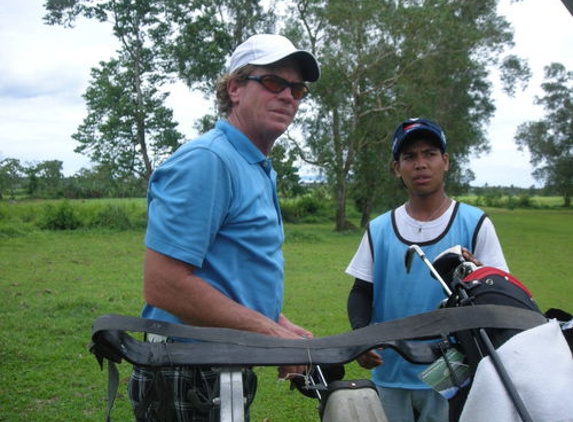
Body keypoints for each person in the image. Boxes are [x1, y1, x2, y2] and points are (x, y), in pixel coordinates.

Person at [128, 33, 320, 421]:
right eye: (273, 82)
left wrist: (277, 324)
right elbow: (163, 283)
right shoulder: (209, 161)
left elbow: (226, 272)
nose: (288, 96)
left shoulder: (252, 165)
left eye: (297, 89)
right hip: (187, 366)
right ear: (234, 88)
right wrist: (268, 334)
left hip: (219, 362)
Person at [345, 117, 509, 422]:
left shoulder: (474, 224)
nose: (420, 164)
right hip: (390, 370)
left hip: (454, 373)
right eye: (409, 156)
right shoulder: (379, 229)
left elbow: (500, 297)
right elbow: (361, 291)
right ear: (397, 168)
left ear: (445, 162)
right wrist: (362, 336)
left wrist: (481, 275)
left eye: (430, 154)